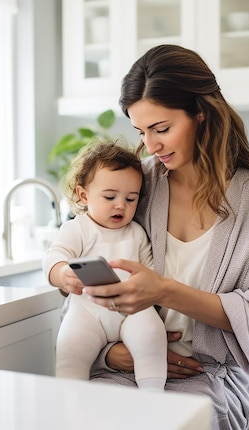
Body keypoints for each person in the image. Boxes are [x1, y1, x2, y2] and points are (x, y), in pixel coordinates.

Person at [59, 44, 249, 430]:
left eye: (162, 129)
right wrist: (110, 354)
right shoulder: (139, 184)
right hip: (125, 366)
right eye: (140, 131)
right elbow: (84, 272)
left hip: (207, 377)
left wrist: (164, 291)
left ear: (202, 114)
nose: (150, 146)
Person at [42, 139, 167, 392]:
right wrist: (63, 274)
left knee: (152, 338)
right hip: (87, 310)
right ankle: (69, 403)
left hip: (131, 310)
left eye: (131, 199)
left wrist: (146, 286)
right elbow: (54, 257)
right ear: (83, 195)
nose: (121, 205)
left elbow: (151, 271)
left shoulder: (136, 232)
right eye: (110, 196)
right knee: (70, 349)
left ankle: (153, 397)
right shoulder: (78, 228)